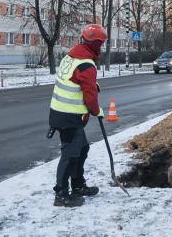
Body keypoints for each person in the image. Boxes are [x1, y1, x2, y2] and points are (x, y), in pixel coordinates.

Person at [49, 24, 107, 207]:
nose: (102, 47)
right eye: (101, 44)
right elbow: (90, 98)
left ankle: (78, 185)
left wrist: (90, 86)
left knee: (81, 150)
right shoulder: (86, 65)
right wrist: (97, 111)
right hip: (69, 116)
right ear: (95, 44)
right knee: (70, 155)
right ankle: (61, 194)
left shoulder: (71, 57)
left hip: (61, 113)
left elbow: (73, 81)